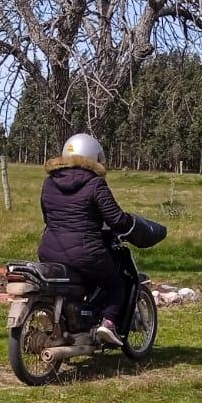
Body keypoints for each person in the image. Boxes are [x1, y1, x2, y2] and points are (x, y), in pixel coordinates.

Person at [38, 132, 136, 347]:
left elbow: (47, 216)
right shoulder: (95, 184)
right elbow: (116, 220)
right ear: (94, 157)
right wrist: (131, 223)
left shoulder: (49, 183)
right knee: (116, 283)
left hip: (49, 250)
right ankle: (108, 323)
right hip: (85, 252)